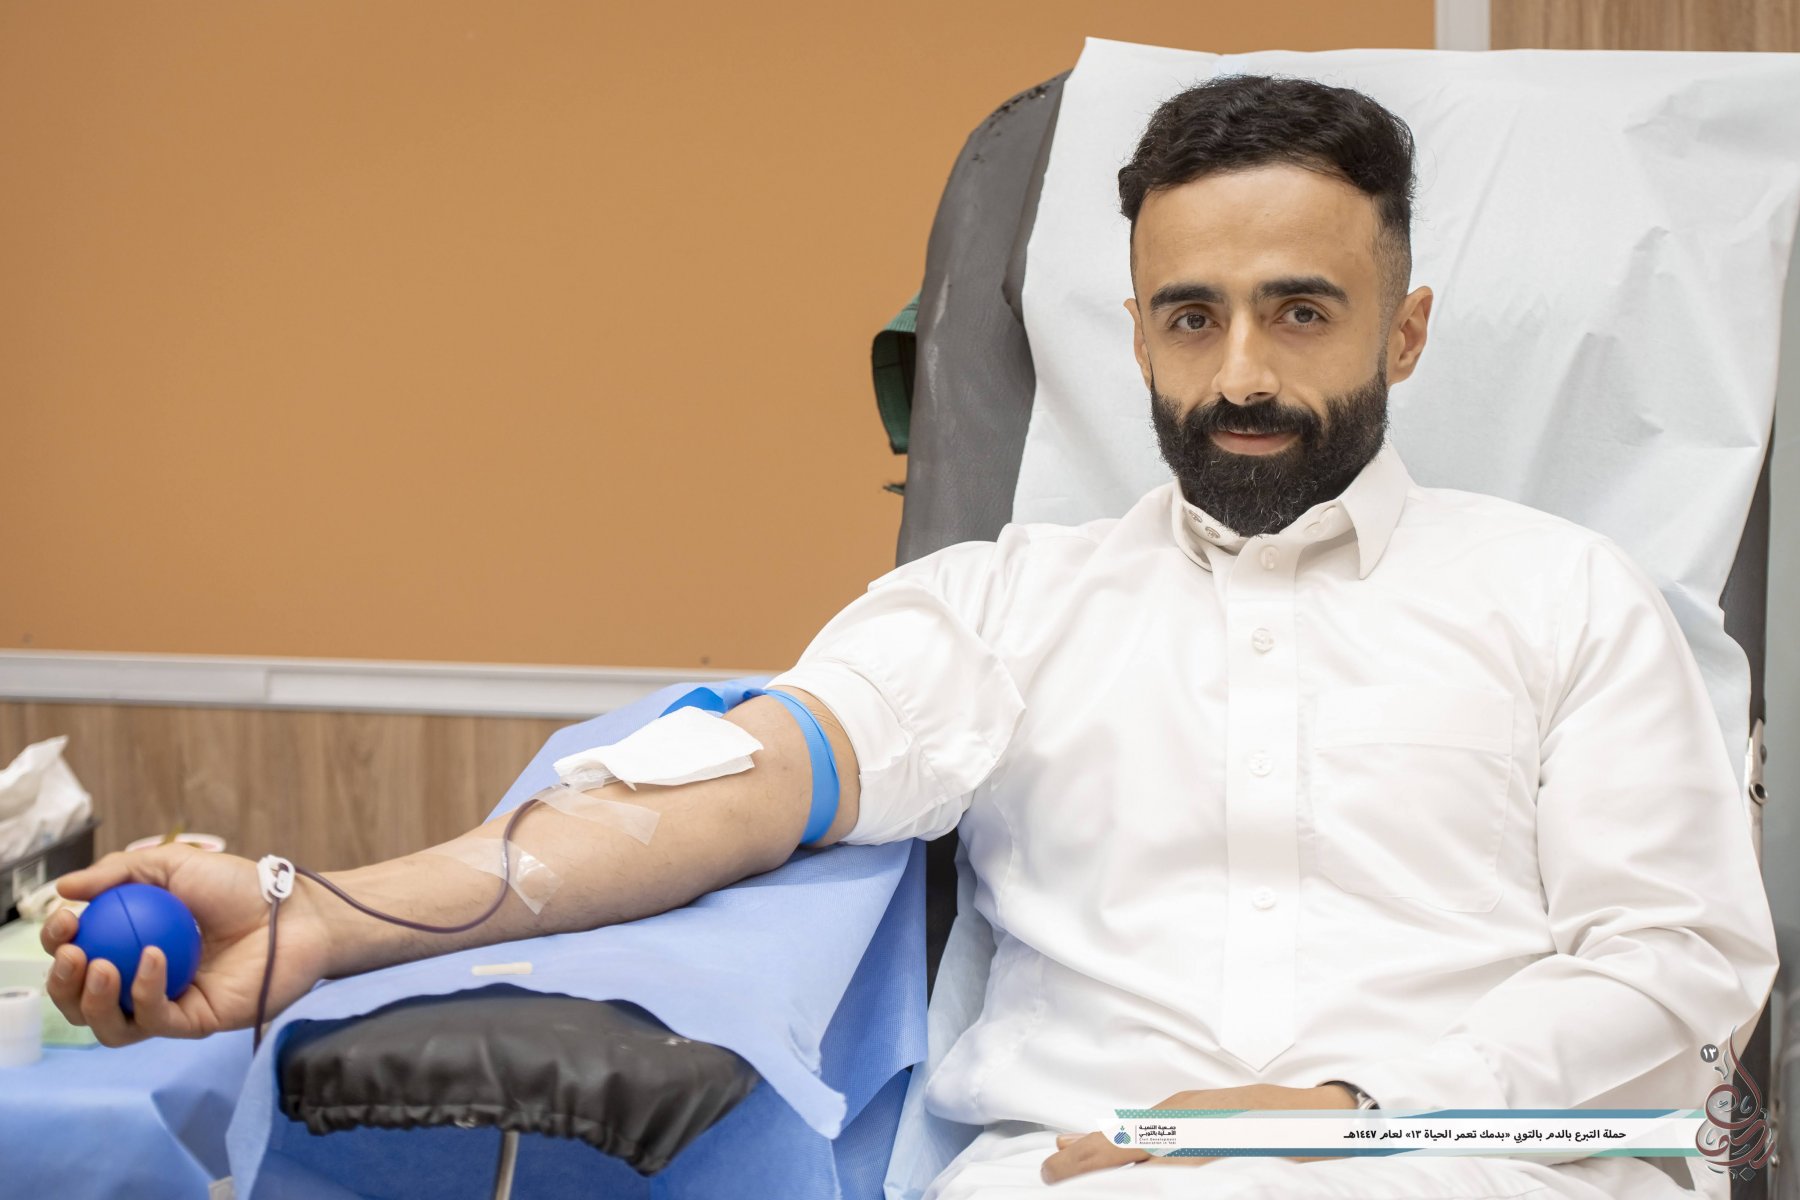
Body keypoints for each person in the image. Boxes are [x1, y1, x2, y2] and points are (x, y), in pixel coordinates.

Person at [43, 74, 1776, 1199]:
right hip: (1081, 1179)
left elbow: (1674, 963)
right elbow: (721, 789)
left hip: (1481, 1164)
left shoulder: (1572, 600)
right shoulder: (1002, 604)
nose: (1241, 373)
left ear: (1403, 332)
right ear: (1135, 334)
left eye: (1301, 311)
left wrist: (1347, 1105)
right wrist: (316, 915)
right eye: (1193, 317)